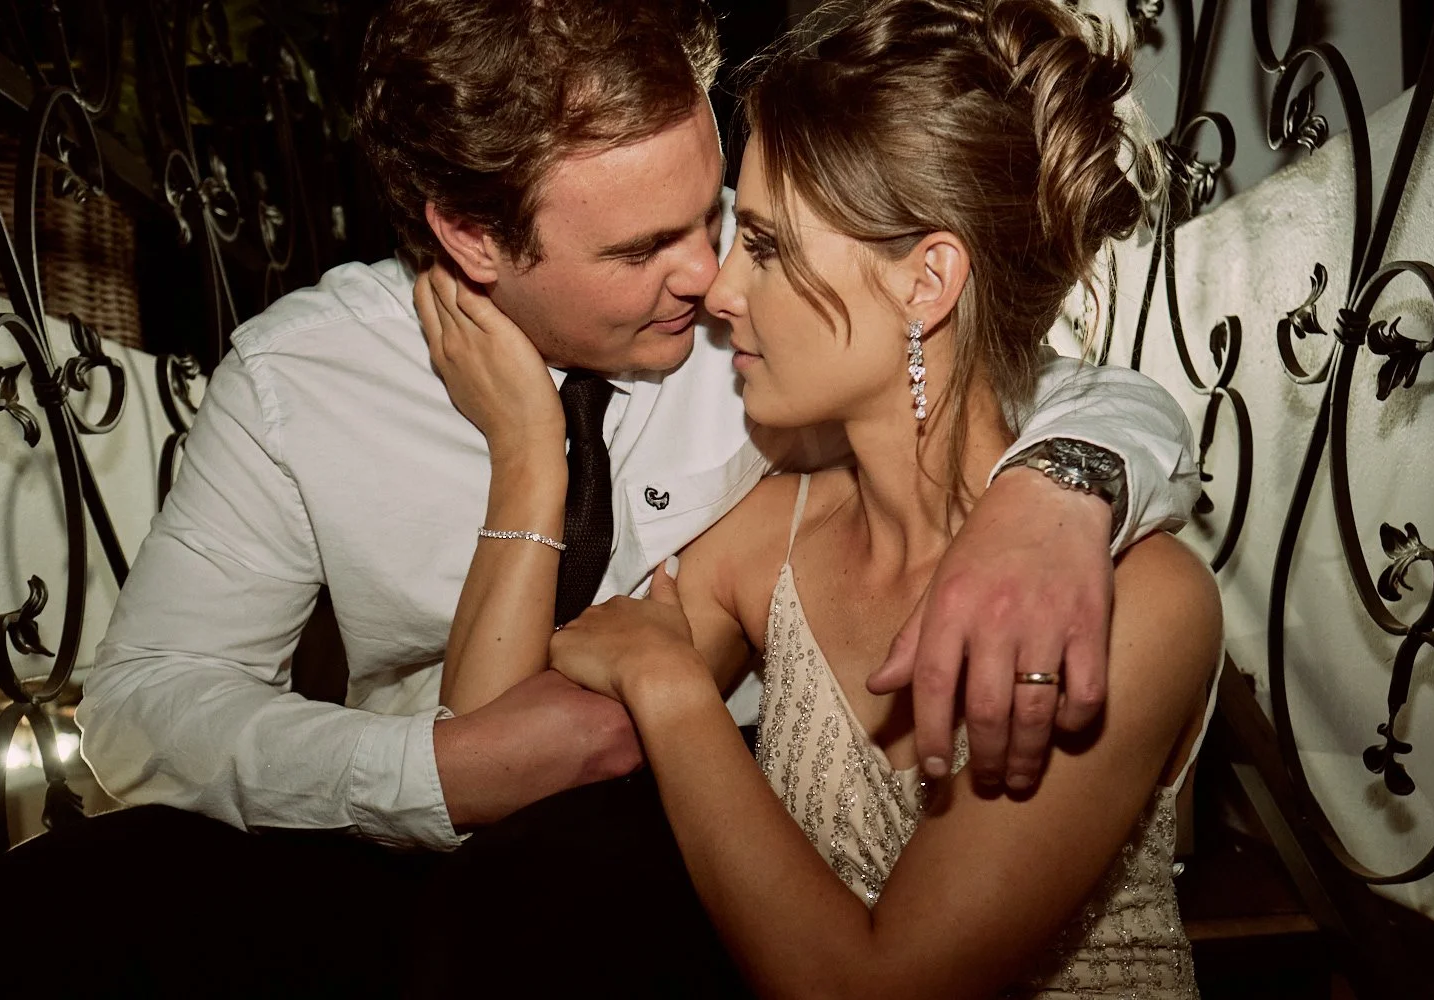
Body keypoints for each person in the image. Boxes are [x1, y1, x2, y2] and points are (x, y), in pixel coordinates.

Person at [0, 0, 1197, 994]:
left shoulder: (803, 333)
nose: (710, 276)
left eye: (725, 220)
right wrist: (523, 475)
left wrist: (1065, 489)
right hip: (408, 829)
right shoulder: (302, 376)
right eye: (643, 248)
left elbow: (1022, 377)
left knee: (544, 900)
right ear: (473, 236)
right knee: (57, 909)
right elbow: (148, 704)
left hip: (659, 862)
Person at [432, 0, 1223, 996]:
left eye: (764, 245)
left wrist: (673, 689)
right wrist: (528, 458)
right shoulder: (762, 543)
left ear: (925, 281)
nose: (719, 290)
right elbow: (495, 769)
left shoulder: (1132, 604)